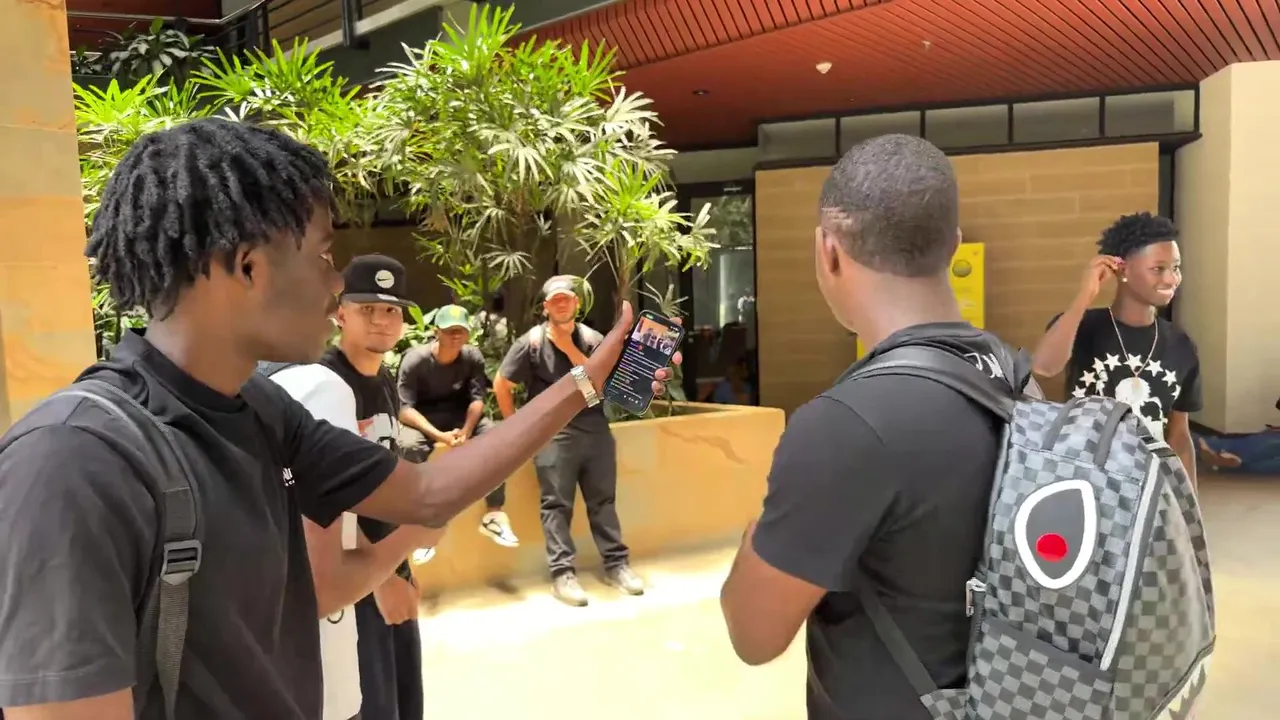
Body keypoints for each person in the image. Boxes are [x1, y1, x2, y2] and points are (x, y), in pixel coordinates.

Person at [0, 118, 675, 720]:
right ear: (247, 266)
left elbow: (428, 492)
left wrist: (586, 382)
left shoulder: (259, 408)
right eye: (324, 256)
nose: (335, 286)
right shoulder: (76, 461)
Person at [718, 134, 1034, 719]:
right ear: (953, 244)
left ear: (828, 251)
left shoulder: (845, 424)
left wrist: (754, 534)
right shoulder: (1016, 377)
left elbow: (753, 634)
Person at [268, 254, 439, 720]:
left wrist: (400, 567)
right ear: (340, 313)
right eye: (367, 309)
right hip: (351, 579)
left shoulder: (383, 379)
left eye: (391, 310)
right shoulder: (322, 383)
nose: (381, 320)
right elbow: (323, 499)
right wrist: (383, 580)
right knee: (368, 703)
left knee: (403, 698)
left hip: (385, 566)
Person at [494, 276, 645, 607]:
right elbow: (502, 384)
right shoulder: (531, 343)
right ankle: (562, 574)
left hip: (594, 430)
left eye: (567, 298)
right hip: (553, 435)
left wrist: (567, 348)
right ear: (545, 307)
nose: (561, 304)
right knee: (556, 505)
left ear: (577, 304)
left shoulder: (593, 340)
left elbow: (601, 383)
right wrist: (517, 427)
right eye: (555, 300)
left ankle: (617, 566)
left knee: (603, 501)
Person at [1030, 212, 1201, 486]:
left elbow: (1179, 435)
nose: (1171, 279)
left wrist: (1189, 504)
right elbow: (1044, 367)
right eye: (1158, 269)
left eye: (1176, 268)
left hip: (1148, 485)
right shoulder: (1083, 326)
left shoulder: (1180, 345)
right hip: (1085, 480)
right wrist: (1085, 295)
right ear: (1123, 270)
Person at [398, 304, 519, 547]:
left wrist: (467, 429)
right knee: (408, 446)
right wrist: (439, 436)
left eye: (460, 330)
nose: (455, 335)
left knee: (496, 438)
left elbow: (477, 399)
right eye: (449, 330)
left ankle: (494, 515)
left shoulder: (472, 357)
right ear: (436, 332)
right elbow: (404, 410)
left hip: (460, 416)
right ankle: (421, 524)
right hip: (423, 419)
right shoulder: (415, 361)